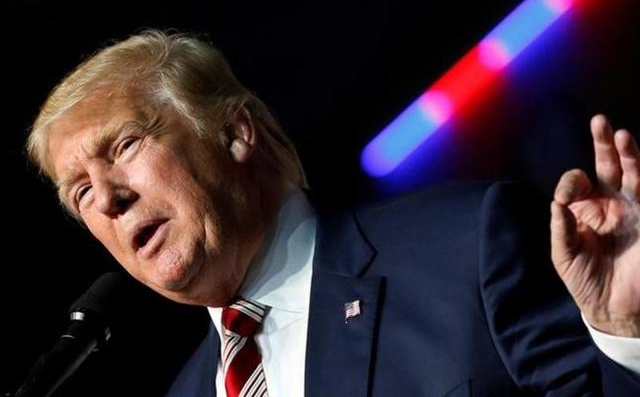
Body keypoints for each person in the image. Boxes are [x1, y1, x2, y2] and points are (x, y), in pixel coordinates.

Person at [26, 30, 639, 396]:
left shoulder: (465, 248)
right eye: (80, 192)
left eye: (126, 147)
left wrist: (624, 335)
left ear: (235, 133)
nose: (107, 198)